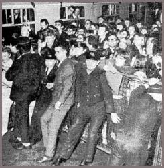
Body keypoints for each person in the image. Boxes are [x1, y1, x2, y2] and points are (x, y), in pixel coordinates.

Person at [52, 47, 120, 166]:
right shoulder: (80, 70)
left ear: (98, 62)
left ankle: (88, 159)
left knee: (93, 133)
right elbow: (76, 84)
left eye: (93, 61)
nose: (90, 63)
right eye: (88, 60)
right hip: (83, 106)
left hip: (98, 109)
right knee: (74, 129)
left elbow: (107, 94)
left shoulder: (101, 74)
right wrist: (77, 104)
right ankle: (63, 155)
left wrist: (112, 112)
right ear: (85, 61)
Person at [37, 44, 76, 163]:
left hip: (63, 101)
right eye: (56, 52)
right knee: (43, 119)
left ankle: (49, 154)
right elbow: (62, 82)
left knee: (53, 127)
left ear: (65, 51)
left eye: (58, 52)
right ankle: (48, 146)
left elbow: (68, 86)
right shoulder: (62, 63)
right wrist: (53, 85)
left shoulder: (68, 65)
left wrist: (60, 101)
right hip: (57, 99)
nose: (56, 54)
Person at [5, 37, 44, 149]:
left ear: (19, 49)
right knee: (20, 112)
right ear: (30, 46)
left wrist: (9, 68)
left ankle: (25, 141)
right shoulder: (38, 57)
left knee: (22, 114)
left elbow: (9, 76)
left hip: (21, 93)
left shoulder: (19, 61)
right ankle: (18, 134)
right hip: (34, 91)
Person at [30, 47, 58, 145]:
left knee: (43, 118)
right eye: (46, 60)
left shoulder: (57, 71)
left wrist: (53, 85)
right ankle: (35, 136)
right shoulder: (43, 69)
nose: (48, 62)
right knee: (35, 116)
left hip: (50, 98)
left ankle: (41, 138)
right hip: (40, 96)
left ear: (55, 61)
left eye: (50, 60)